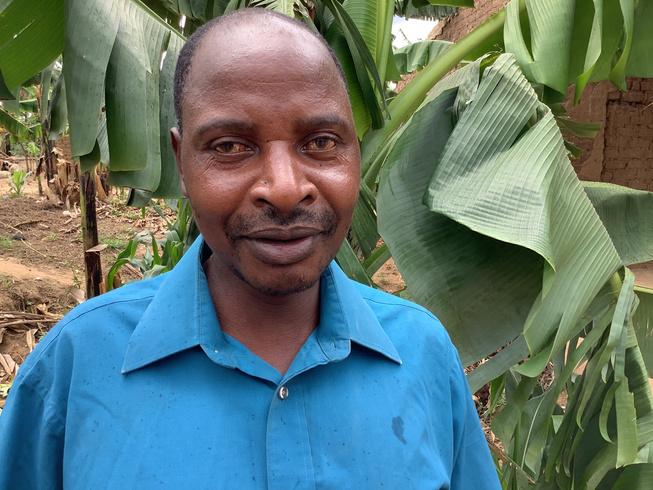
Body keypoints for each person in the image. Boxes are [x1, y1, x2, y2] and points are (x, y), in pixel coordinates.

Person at [0, 8, 500, 489]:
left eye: (321, 142)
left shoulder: (422, 355)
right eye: (230, 147)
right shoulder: (76, 368)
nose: (284, 189)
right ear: (181, 160)